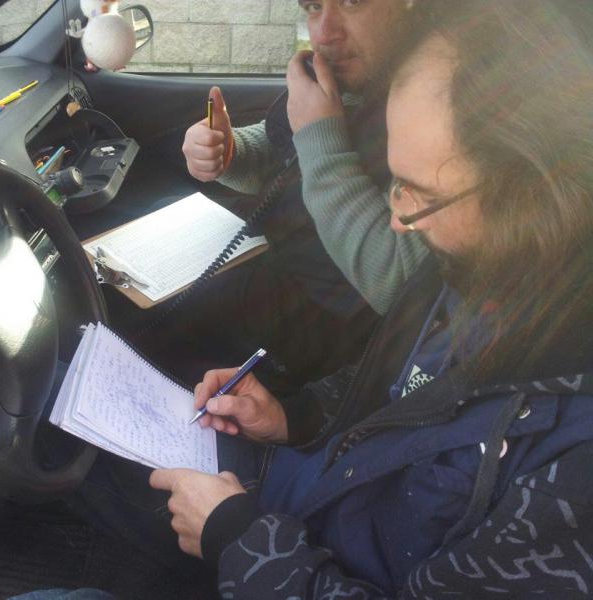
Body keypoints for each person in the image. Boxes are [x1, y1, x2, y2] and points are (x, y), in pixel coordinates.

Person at [140, 0, 593, 597]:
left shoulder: (569, 471)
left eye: (416, 191)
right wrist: (293, 419)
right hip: (308, 492)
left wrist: (238, 541)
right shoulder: (469, 268)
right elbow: (400, 388)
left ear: (531, 195)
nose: (398, 220)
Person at [146, 0, 430, 387]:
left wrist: (319, 134)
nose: (324, 33)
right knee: (158, 226)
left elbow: (398, 284)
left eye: (351, 2)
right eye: (313, 6)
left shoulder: (436, 102)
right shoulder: (360, 82)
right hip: (281, 255)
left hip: (325, 321)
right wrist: (231, 152)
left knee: (142, 321)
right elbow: (292, 149)